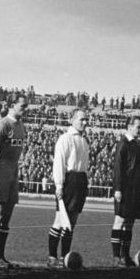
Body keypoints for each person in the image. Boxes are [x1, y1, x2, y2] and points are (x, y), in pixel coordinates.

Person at [0, 95, 28, 267]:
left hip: (13, 170)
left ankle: (1, 257)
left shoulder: (21, 126)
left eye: (26, 107)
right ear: (12, 105)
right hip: (1, 169)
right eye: (22, 106)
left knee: (8, 213)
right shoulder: (3, 124)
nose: (25, 109)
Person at [47, 108, 90, 267]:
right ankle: (52, 257)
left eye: (86, 120)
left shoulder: (84, 140)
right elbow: (59, 163)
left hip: (80, 181)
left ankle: (65, 258)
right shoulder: (65, 139)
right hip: (69, 181)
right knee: (60, 220)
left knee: (72, 222)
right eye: (81, 119)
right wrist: (59, 185)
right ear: (72, 120)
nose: (85, 122)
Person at [111, 116, 140, 267]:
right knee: (120, 221)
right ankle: (116, 256)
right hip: (125, 188)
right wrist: (118, 188)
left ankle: (126, 255)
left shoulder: (138, 145)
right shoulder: (123, 144)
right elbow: (118, 168)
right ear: (130, 126)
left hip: (135, 189)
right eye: (139, 127)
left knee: (130, 223)